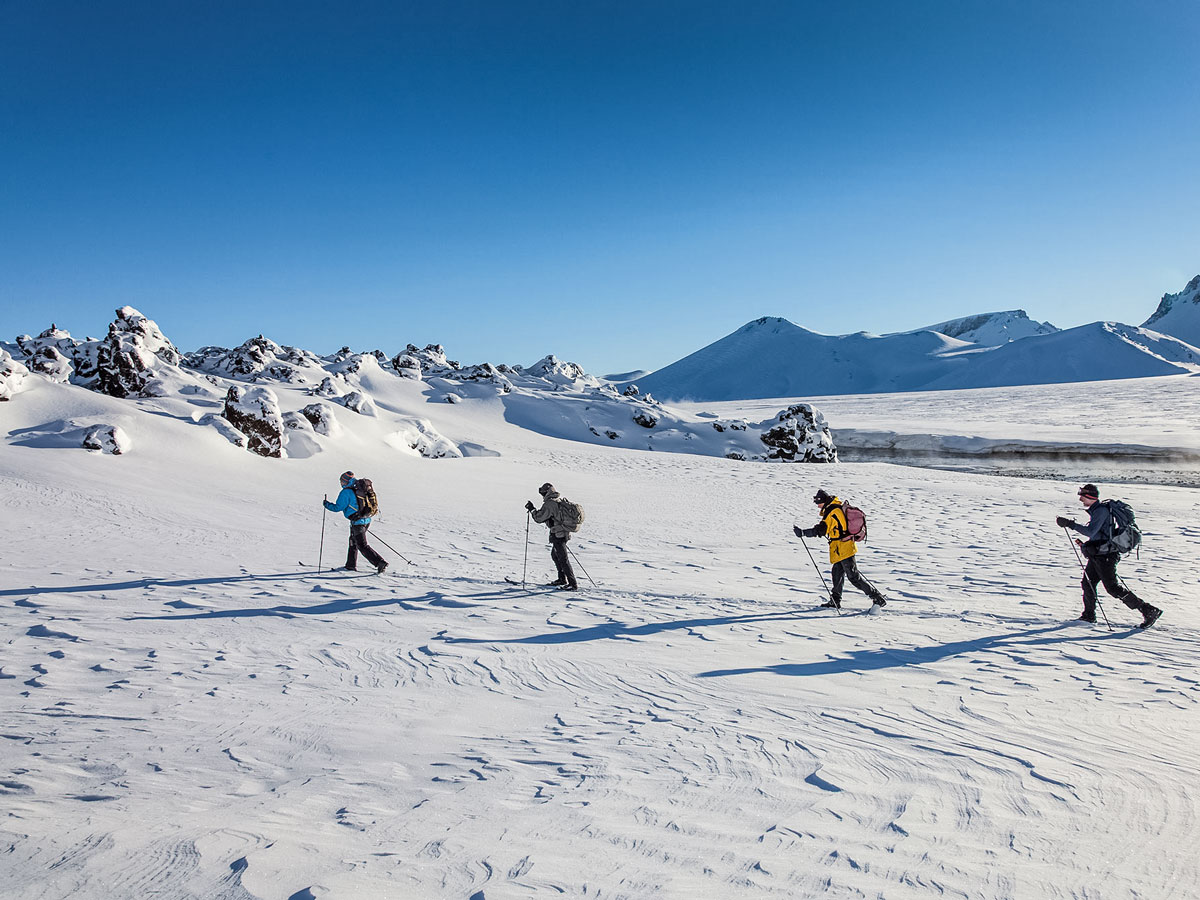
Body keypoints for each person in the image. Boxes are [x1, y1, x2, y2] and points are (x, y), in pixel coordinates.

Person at [1057, 483, 1160, 628]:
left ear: (1090, 496)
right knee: (1088, 583)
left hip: (1106, 556)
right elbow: (1098, 534)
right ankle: (1088, 616)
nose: (1080, 499)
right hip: (1099, 554)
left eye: (1082, 496)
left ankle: (1148, 610)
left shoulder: (1100, 511)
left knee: (1112, 588)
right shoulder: (1097, 510)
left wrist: (1070, 524)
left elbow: (1091, 532)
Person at [795, 488, 887, 610]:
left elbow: (821, 530)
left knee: (854, 577)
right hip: (840, 548)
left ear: (823, 501)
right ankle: (835, 601)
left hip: (844, 548)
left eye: (818, 503)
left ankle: (877, 598)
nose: (818, 507)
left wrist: (803, 532)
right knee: (837, 574)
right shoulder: (834, 507)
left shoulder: (832, 511)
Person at [324, 470, 388, 574]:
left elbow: (337, 507)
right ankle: (350, 565)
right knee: (353, 542)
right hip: (366, 520)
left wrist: (326, 504)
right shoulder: (359, 488)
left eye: (342, 481)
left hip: (358, 522)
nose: (341, 484)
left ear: (345, 481)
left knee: (362, 545)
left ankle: (380, 562)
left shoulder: (346, 492)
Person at [526, 482, 577, 591]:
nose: (542, 495)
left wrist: (532, 509)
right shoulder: (557, 500)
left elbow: (539, 518)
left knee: (563, 559)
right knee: (555, 555)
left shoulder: (550, 504)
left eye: (543, 493)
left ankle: (573, 584)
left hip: (558, 534)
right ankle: (562, 579)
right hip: (562, 533)